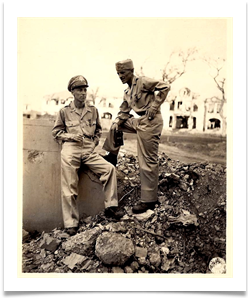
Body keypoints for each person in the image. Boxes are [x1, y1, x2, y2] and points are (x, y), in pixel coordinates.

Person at [52, 75, 124, 236]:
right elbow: (56, 133)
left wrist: (94, 142)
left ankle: (111, 207)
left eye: (85, 90)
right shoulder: (64, 112)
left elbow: (98, 130)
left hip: (89, 150)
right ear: (72, 92)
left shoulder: (93, 111)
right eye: (79, 90)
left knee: (109, 169)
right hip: (70, 149)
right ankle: (71, 223)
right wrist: (70, 137)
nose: (83, 93)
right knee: (69, 186)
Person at [102, 59, 171, 214]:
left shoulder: (143, 81)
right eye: (118, 73)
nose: (120, 76)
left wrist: (155, 105)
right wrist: (118, 120)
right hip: (140, 122)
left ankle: (149, 200)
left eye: (123, 72)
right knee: (116, 125)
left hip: (151, 122)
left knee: (146, 160)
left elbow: (165, 86)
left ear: (131, 71)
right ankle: (112, 156)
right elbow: (124, 110)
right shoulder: (127, 92)